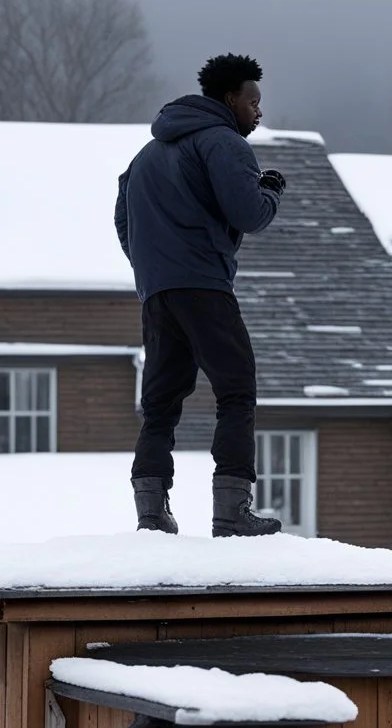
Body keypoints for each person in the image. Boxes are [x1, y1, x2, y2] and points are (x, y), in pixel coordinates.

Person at [114, 54, 286, 538]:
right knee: (236, 389)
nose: (258, 112)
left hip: (157, 292)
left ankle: (152, 514)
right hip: (204, 286)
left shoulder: (145, 156)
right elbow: (249, 213)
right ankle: (231, 512)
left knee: (161, 402)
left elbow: (123, 220)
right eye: (252, 102)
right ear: (230, 98)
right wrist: (270, 190)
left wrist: (152, 269)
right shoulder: (224, 143)